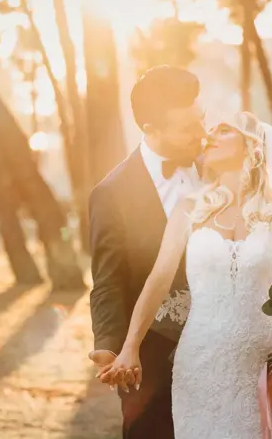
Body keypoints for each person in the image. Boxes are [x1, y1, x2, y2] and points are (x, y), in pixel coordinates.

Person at [98, 111, 272, 438]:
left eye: (224, 130)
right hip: (198, 361)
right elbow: (158, 280)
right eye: (210, 131)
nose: (210, 136)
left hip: (262, 361)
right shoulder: (189, 209)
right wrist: (130, 346)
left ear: (252, 147)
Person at [88, 65, 206, 438]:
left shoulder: (221, 169)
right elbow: (108, 280)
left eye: (200, 120)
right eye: (187, 129)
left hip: (221, 341)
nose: (201, 135)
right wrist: (109, 346)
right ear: (150, 130)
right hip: (151, 351)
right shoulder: (112, 193)